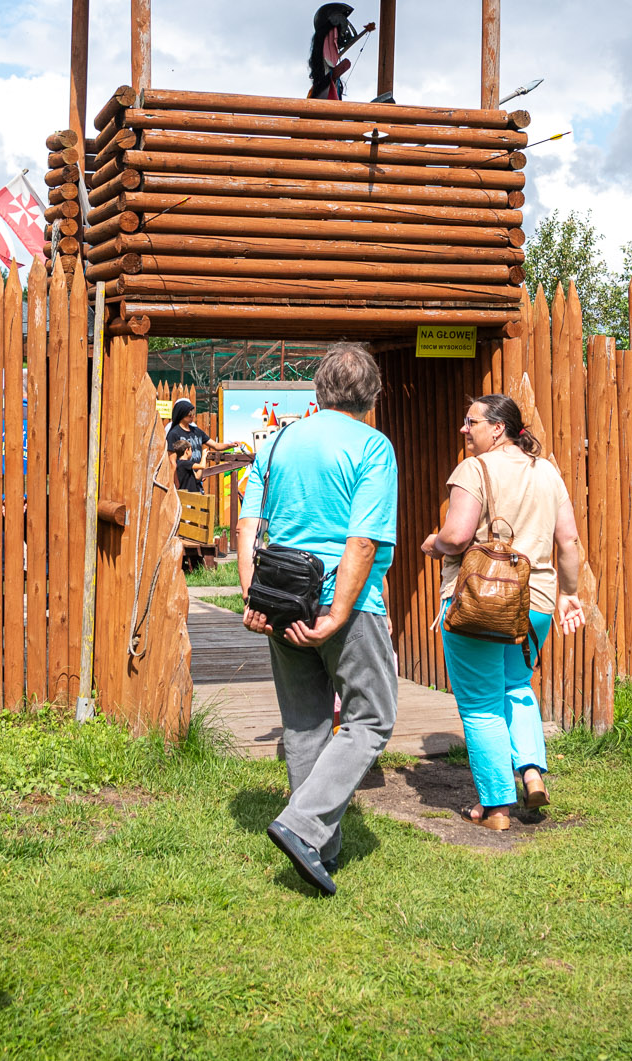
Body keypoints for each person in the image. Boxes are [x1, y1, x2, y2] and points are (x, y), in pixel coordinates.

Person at [238, 342, 398, 895]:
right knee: (371, 716)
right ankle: (303, 824)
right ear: (372, 395)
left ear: (318, 391)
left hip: (281, 599)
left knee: (304, 722)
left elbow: (248, 523)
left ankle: (314, 849)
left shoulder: (280, 440)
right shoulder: (373, 447)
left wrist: (250, 597)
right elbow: (361, 541)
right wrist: (336, 616)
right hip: (345, 604)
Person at [421, 394, 585, 831]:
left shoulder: (473, 470)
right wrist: (569, 594)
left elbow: (456, 537)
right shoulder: (547, 471)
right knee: (516, 684)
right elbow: (568, 544)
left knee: (479, 706)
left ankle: (496, 808)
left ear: (497, 429)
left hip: (479, 602)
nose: (463, 428)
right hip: (537, 603)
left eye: (469, 421)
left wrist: (433, 543)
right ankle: (531, 772)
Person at [164, 399, 209, 493]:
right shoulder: (185, 463)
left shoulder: (187, 464)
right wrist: (204, 456)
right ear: (187, 450)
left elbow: (197, 476)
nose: (192, 416)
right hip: (187, 493)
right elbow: (202, 465)